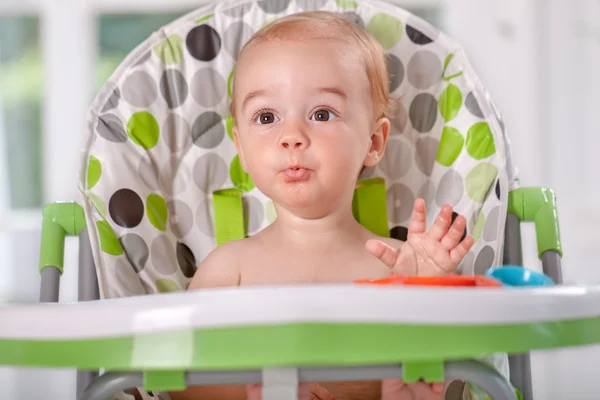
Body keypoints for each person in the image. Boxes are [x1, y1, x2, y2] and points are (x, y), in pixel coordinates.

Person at [176, 10, 478, 400]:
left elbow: (463, 367)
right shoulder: (228, 269)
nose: (292, 136)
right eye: (266, 116)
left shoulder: (400, 266)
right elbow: (182, 384)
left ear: (373, 142)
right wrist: (264, 392)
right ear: (242, 150)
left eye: (321, 113)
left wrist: (431, 288)